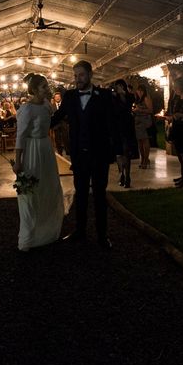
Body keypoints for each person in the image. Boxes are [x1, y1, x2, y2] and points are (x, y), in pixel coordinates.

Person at [51, 60, 120, 249]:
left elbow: (112, 124)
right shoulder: (70, 96)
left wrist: (116, 151)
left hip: (99, 155)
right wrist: (36, 126)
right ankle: (80, 231)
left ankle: (102, 235)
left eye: (81, 75)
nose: (77, 79)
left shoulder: (104, 96)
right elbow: (56, 118)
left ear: (90, 75)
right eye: (75, 76)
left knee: (99, 195)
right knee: (80, 195)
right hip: (79, 155)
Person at [12, 74, 64, 252]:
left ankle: (47, 231)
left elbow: (51, 122)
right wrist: (18, 162)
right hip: (32, 151)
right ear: (33, 90)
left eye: (46, 86)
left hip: (46, 150)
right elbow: (20, 137)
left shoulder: (47, 105)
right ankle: (30, 235)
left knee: (49, 187)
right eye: (43, 87)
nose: (47, 89)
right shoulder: (26, 109)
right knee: (32, 192)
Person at [111, 79, 137, 187]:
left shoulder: (130, 96)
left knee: (126, 152)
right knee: (119, 154)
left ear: (123, 86)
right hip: (116, 127)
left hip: (127, 127)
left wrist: (123, 94)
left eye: (119, 86)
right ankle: (121, 174)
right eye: (116, 87)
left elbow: (129, 106)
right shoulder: (113, 97)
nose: (117, 88)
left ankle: (127, 176)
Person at [133, 84, 154, 169]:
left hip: (144, 121)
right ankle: (143, 159)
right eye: (138, 91)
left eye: (141, 91)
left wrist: (140, 110)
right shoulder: (138, 99)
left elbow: (150, 110)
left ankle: (146, 159)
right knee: (139, 142)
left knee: (145, 141)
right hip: (138, 122)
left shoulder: (146, 98)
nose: (139, 92)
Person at [50, 91, 70, 156]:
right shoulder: (52, 106)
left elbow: (67, 113)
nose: (57, 98)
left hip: (64, 123)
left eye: (59, 97)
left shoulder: (64, 104)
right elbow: (51, 115)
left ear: (61, 97)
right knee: (57, 139)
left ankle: (68, 151)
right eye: (56, 97)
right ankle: (60, 152)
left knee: (66, 138)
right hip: (56, 125)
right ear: (54, 98)